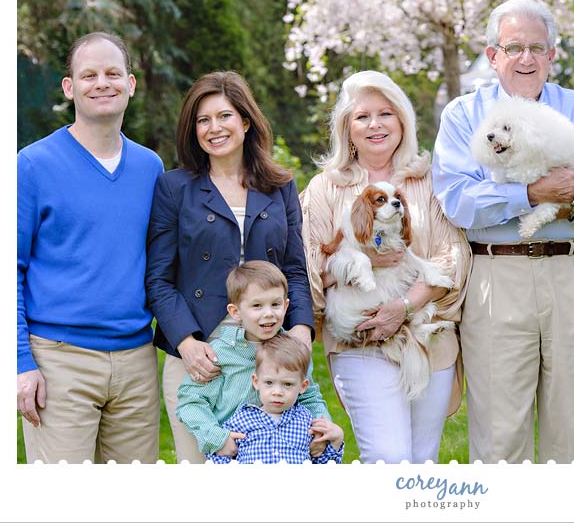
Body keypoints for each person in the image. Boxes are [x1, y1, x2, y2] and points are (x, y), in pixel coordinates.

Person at [432, 0, 574, 464]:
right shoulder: (463, 116)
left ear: (553, 55)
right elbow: (457, 201)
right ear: (492, 56)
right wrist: (532, 194)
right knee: (499, 433)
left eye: (538, 47)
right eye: (514, 47)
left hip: (572, 274)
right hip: (497, 276)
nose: (527, 59)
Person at [146, 71, 328, 463]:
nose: (214, 128)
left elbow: (295, 267)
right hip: (201, 357)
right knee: (199, 472)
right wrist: (186, 343)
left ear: (245, 121)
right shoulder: (174, 188)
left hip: (272, 351)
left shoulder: (279, 186)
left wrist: (299, 329)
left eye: (224, 116)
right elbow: (159, 278)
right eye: (202, 120)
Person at [300, 70, 470, 464]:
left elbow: (453, 256)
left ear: (403, 121)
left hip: (429, 338)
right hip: (361, 339)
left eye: (386, 114)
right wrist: (365, 261)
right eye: (362, 117)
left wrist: (404, 307)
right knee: (388, 458)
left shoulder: (430, 182)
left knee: (422, 461)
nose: (375, 125)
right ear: (346, 128)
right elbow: (309, 269)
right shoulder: (326, 188)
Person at [17, 32, 164, 463]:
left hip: (137, 360)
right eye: (89, 75)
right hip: (58, 360)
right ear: (69, 87)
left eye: (113, 73)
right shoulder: (32, 165)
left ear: (131, 84)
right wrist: (21, 362)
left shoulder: (149, 167)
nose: (102, 83)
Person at [175, 261, 342, 463]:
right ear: (235, 312)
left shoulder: (294, 350)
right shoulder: (221, 353)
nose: (268, 313)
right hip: (235, 456)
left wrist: (322, 429)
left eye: (275, 304)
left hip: (287, 454)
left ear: (286, 305)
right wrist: (217, 438)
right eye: (257, 306)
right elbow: (191, 400)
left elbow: (309, 396)